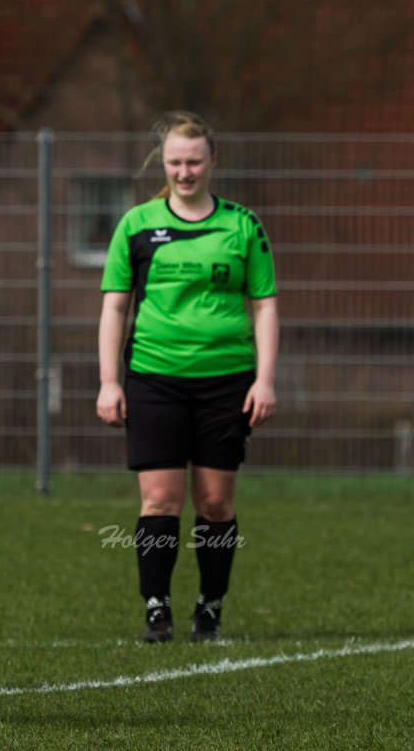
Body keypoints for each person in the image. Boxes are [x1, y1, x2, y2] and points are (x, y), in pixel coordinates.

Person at [95, 110, 278, 644]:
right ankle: (157, 610)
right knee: (159, 501)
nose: (185, 171)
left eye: (195, 161)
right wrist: (110, 381)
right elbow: (114, 308)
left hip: (227, 381)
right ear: (163, 163)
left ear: (212, 161)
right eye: (175, 162)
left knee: (216, 502)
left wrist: (264, 380)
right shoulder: (135, 225)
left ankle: (210, 607)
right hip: (154, 379)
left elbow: (264, 306)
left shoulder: (243, 225)